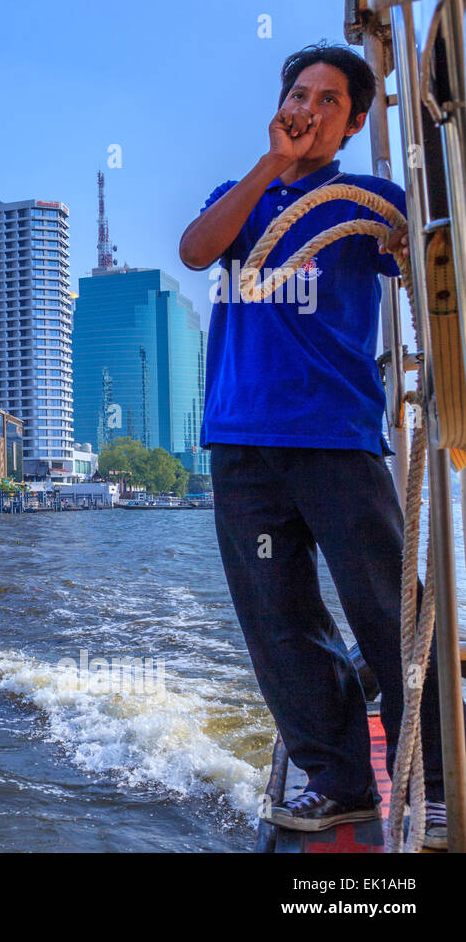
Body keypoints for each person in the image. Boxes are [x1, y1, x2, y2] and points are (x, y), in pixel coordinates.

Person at [178, 42, 457, 847]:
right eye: (299, 93)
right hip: (241, 443)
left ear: (356, 120)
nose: (308, 108)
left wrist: (408, 251)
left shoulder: (371, 199)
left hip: (335, 435)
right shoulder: (241, 197)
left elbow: (417, 259)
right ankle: (337, 783)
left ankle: (435, 779)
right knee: (279, 621)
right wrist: (272, 164)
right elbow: (197, 251)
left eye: (328, 100)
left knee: (387, 614)